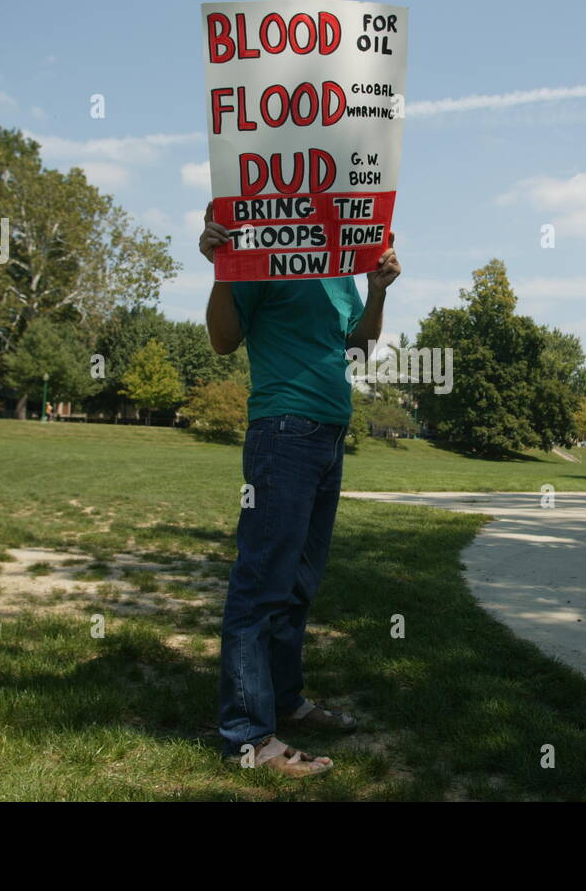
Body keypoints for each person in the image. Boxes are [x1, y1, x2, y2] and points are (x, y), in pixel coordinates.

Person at [199, 201, 401, 778]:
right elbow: (222, 341)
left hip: (329, 435)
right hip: (282, 433)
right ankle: (247, 737)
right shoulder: (261, 253)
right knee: (261, 584)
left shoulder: (339, 265)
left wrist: (377, 287)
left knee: (299, 584)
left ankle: (284, 700)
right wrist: (221, 265)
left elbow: (357, 350)